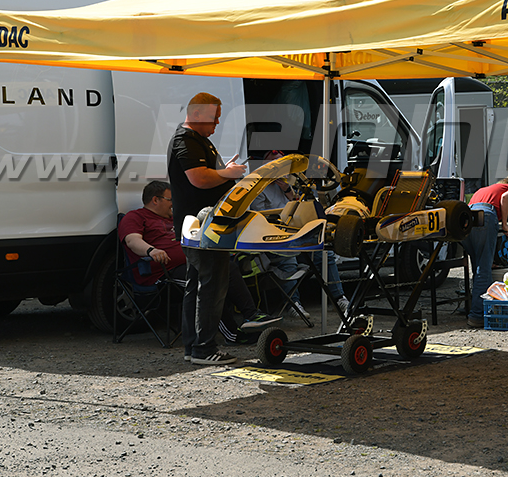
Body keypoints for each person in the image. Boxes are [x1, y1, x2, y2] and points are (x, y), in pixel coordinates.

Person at [168, 92, 246, 366]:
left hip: (202, 226)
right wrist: (228, 173)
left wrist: (225, 171)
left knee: (198, 284)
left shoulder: (197, 140)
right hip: (204, 227)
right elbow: (199, 179)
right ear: (197, 114)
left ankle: (194, 346)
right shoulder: (186, 140)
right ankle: (204, 348)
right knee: (211, 285)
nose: (217, 124)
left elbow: (208, 175)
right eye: (214, 118)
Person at [250, 151, 350, 319]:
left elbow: (303, 205)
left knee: (324, 254)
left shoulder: (291, 183)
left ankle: (339, 298)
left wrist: (287, 189)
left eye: (282, 164)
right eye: (275, 163)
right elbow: (261, 218)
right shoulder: (260, 188)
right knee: (288, 259)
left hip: (297, 234)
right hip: (276, 237)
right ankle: (293, 304)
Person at [462, 178, 508, 328]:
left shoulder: (484, 189)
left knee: (478, 268)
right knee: (484, 270)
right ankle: (477, 315)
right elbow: (506, 197)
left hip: (466, 218)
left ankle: (475, 307)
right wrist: (504, 224)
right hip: (485, 216)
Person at [118, 181, 187, 285]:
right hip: (166, 272)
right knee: (207, 278)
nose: (174, 203)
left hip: (191, 263)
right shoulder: (136, 217)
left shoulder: (174, 218)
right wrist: (151, 251)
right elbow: (132, 240)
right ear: (155, 200)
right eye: (170, 199)